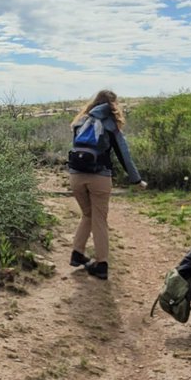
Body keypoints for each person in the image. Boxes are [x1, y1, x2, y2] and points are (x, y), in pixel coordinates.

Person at [67, 89, 146, 281]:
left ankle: (77, 253)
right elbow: (123, 154)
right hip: (99, 177)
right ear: (113, 105)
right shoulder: (110, 124)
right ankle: (102, 264)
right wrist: (136, 179)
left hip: (76, 176)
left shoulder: (80, 121)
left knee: (87, 214)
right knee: (99, 219)